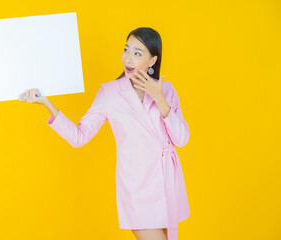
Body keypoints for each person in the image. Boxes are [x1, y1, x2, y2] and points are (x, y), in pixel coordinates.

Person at [19, 27, 190, 240]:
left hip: (166, 185)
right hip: (137, 189)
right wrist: (47, 104)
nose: (128, 58)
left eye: (137, 53)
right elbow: (79, 137)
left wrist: (160, 99)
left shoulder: (166, 90)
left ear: (152, 60)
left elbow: (181, 139)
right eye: (126, 50)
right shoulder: (110, 93)